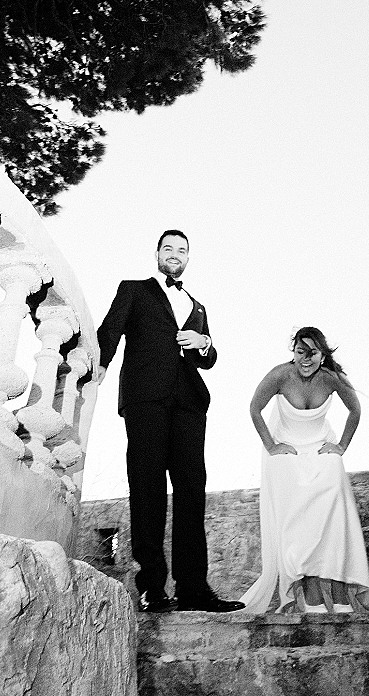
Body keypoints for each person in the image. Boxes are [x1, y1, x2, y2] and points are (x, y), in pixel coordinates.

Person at [97, 230, 244, 614]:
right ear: (158, 254)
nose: (175, 254)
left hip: (189, 402)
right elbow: (110, 330)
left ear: (188, 258)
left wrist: (205, 344)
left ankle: (193, 587)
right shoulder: (134, 289)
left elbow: (206, 359)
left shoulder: (197, 306)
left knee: (192, 490)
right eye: (168, 248)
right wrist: (96, 369)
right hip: (145, 397)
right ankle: (152, 589)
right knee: (147, 488)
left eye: (182, 250)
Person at [240, 326, 369, 614]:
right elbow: (254, 408)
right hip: (287, 447)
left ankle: (338, 589)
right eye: (301, 352)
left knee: (334, 471)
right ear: (294, 351)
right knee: (284, 472)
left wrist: (340, 446)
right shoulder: (279, 374)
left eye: (313, 353)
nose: (306, 359)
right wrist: (272, 445)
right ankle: (302, 588)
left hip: (320, 447)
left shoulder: (332, 378)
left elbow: (355, 411)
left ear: (322, 354)